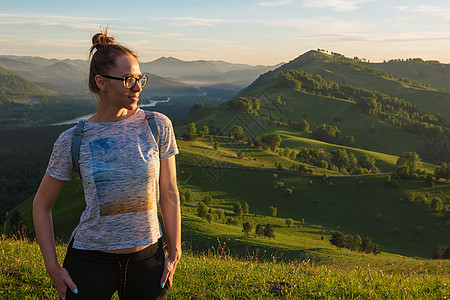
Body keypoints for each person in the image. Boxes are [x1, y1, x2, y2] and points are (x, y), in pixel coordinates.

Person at [33, 29, 181, 300]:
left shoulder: (158, 125)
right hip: (90, 262)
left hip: (148, 261)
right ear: (101, 82)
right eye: (127, 80)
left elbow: (169, 193)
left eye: (139, 79)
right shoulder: (72, 140)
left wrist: (174, 251)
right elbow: (42, 205)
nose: (137, 87)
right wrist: (52, 267)